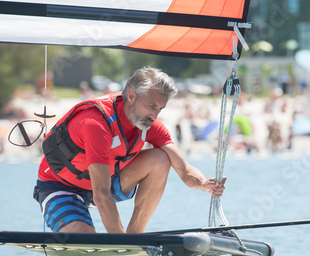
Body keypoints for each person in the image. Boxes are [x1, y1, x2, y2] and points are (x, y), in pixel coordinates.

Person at [33, 67, 226, 234]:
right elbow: (101, 193)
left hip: (103, 185)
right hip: (61, 187)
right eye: (151, 106)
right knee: (85, 242)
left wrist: (204, 184)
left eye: (160, 108)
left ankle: (135, 235)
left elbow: (184, 170)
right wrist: (118, 239)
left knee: (160, 158)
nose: (154, 115)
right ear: (131, 96)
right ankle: (121, 239)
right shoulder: (96, 123)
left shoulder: (150, 124)